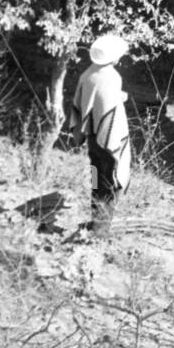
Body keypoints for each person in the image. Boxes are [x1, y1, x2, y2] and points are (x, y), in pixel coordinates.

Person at [69, 34, 131, 236]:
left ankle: (94, 220)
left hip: (93, 138)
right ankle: (101, 230)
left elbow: (92, 102)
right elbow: (108, 111)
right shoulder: (112, 77)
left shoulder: (88, 74)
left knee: (96, 179)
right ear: (113, 57)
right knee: (112, 183)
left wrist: (119, 97)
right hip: (108, 141)